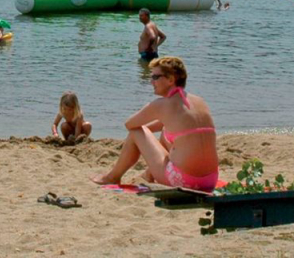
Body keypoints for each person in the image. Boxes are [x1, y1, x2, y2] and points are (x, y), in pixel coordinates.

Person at [90, 57, 219, 191]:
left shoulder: (161, 105)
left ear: (171, 79)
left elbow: (130, 124)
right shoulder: (199, 101)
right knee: (165, 132)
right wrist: (154, 130)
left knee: (136, 132)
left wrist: (144, 133)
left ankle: (113, 177)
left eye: (156, 77)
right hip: (209, 181)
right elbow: (178, 124)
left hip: (184, 181)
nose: (151, 81)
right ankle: (148, 175)